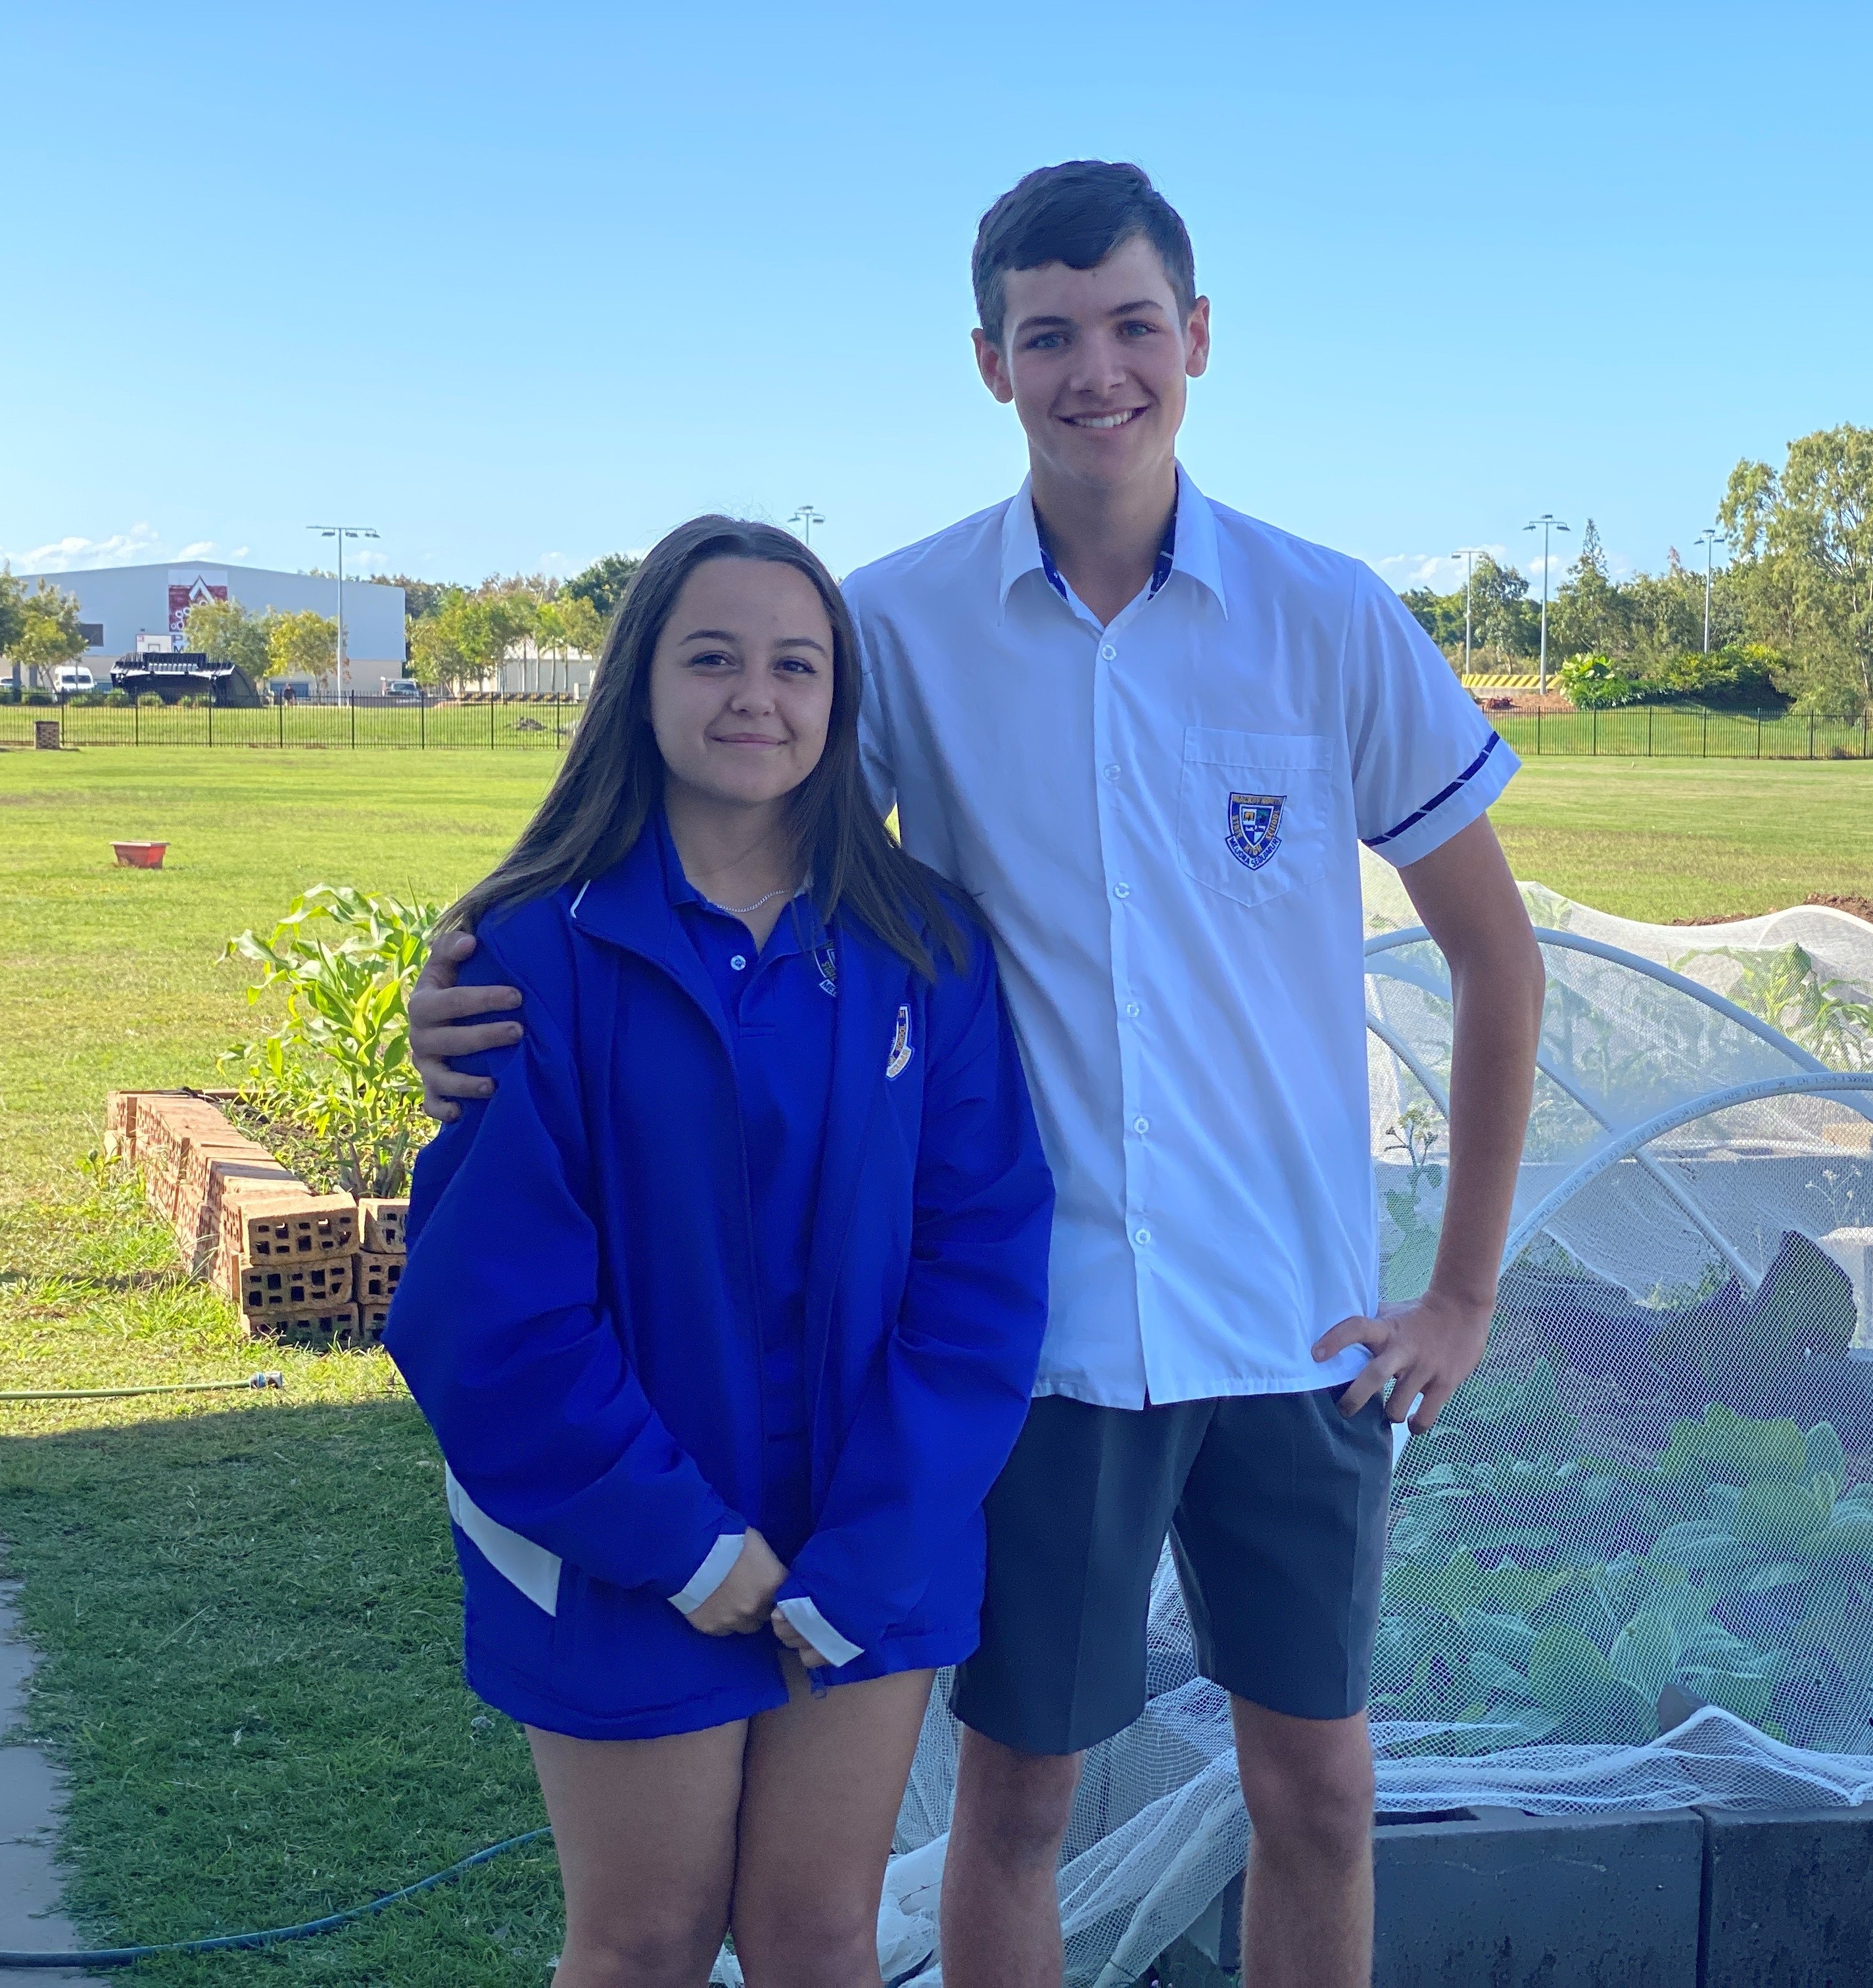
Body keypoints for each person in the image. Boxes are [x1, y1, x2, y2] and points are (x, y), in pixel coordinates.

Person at [410, 162, 1546, 1988]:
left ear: (1197, 338)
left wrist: (1469, 1294)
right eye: (1048, 335)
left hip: (1299, 1327)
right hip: (1051, 1340)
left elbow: (1498, 959)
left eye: (1130, 326)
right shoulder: (893, 625)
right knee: (1015, 1812)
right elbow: (729, 854)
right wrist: (471, 981)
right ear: (989, 360)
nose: (1095, 369)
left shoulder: (1328, 617)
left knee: (1322, 1796)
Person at [383, 517, 1053, 1988]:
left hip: (860, 1530)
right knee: (644, 1940)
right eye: (714, 657)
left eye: (795, 665)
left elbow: (982, 1267)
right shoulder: (528, 951)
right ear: (641, 684)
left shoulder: (925, 952)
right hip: (617, 1533)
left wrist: (872, 1546)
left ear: (838, 702)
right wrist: (685, 1547)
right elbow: (494, 1315)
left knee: (820, 1937)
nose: (758, 694)